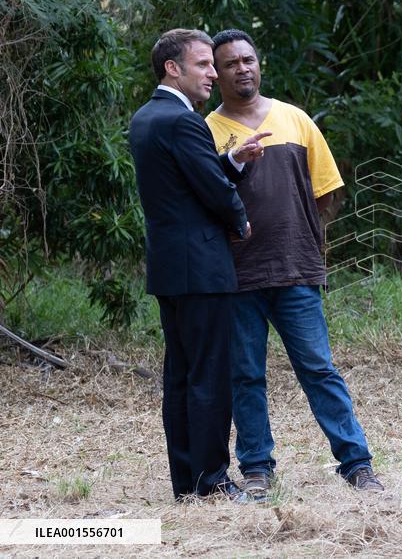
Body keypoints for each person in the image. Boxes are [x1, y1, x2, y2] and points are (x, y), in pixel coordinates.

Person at [205, 28, 383, 497]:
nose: (243, 68)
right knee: (245, 375)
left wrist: (301, 235)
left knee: (319, 368)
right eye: (231, 63)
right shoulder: (208, 131)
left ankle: (358, 464)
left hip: (295, 270)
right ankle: (258, 468)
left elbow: (328, 192)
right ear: (217, 73)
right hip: (236, 275)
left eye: (249, 59)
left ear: (258, 63)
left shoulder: (295, 120)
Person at [128, 28, 267, 501]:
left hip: (171, 267)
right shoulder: (184, 121)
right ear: (174, 68)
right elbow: (211, 189)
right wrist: (240, 218)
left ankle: (186, 482)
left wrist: (230, 159)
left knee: (182, 377)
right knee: (209, 376)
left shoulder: (148, 117)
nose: (213, 74)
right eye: (204, 64)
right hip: (203, 267)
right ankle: (211, 481)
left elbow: (189, 179)